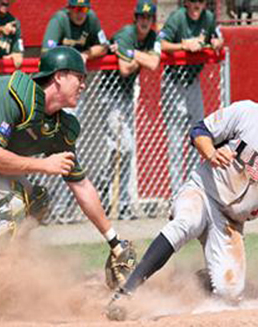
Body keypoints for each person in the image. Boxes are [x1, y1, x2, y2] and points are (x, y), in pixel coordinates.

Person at [107, 63, 258, 310]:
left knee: (230, 295)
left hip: (229, 223)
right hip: (203, 192)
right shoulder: (246, 114)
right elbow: (200, 130)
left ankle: (197, 280)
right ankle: (127, 291)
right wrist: (209, 151)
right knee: (186, 222)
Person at [0, 46, 131, 265]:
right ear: (59, 76)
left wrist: (114, 242)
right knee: (13, 204)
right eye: (80, 77)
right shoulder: (14, 93)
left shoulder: (59, 126)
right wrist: (43, 165)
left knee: (36, 201)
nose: (84, 84)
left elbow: (82, 186)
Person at [100, 0, 161, 220]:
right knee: (121, 148)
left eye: (149, 17)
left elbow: (154, 64)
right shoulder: (126, 33)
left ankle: (122, 204)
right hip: (111, 94)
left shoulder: (152, 37)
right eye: (141, 17)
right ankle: (104, 192)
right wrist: (140, 58)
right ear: (135, 18)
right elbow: (125, 70)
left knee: (125, 149)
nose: (145, 21)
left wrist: (131, 53)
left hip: (126, 96)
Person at [159, 0, 223, 197]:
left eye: (201, 1)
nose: (197, 5)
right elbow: (161, 43)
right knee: (176, 140)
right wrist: (183, 45)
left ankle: (196, 188)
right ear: (186, 3)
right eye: (193, 1)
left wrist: (217, 42)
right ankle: (178, 192)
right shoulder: (178, 17)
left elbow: (219, 38)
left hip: (193, 82)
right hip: (173, 81)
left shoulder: (208, 18)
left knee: (199, 136)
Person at [41, 0, 108, 62]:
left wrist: (85, 55)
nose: (80, 14)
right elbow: (47, 51)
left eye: (84, 9)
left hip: (84, 65)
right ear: (69, 8)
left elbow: (103, 47)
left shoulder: (91, 18)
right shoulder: (59, 19)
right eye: (77, 9)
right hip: (62, 63)